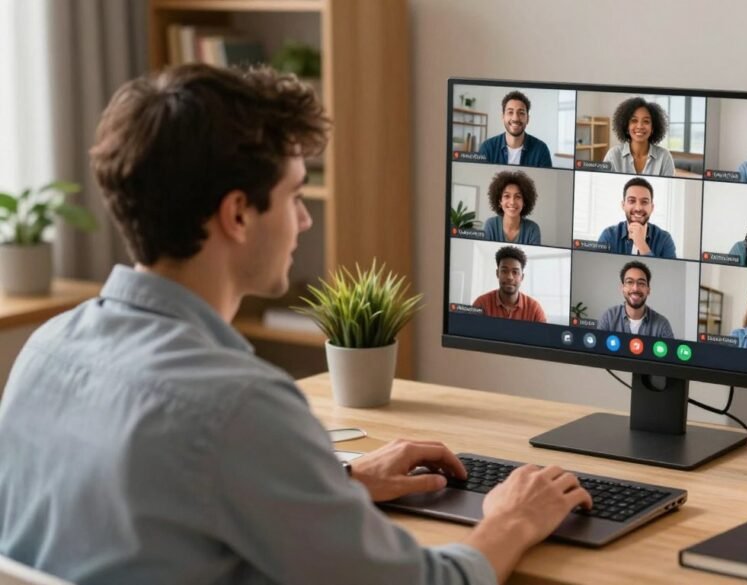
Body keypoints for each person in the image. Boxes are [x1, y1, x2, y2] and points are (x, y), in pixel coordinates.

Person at [0, 64, 590, 584]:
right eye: (293, 196)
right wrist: (510, 521)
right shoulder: (239, 406)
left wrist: (340, 482)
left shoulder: (44, 350)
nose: (304, 221)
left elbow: (173, 502)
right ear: (237, 215)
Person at [597, 177, 677, 258]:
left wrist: (641, 243)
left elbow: (663, 270)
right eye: (632, 201)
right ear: (623, 205)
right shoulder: (608, 236)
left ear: (652, 208)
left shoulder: (665, 239)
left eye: (644, 202)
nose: (638, 208)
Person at [597, 261, 674, 337]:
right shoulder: (608, 317)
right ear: (622, 288)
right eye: (630, 282)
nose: (635, 288)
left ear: (648, 290)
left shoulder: (662, 324)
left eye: (641, 283)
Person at [602, 97, 675, 176]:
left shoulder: (664, 157)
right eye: (634, 120)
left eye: (646, 121)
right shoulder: (613, 155)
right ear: (627, 126)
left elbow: (668, 188)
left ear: (653, 128)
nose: (640, 126)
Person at [477, 90, 553, 167]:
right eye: (510, 112)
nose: (515, 118)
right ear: (503, 117)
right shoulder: (487, 148)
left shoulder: (541, 150)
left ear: (527, 119)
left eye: (521, 113)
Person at [472, 245, 547, 322]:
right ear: (497, 273)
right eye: (504, 271)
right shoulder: (481, 304)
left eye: (515, 272)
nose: (510, 277)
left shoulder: (535, 309)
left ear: (522, 277)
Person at [482, 170, 541, 245]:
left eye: (518, 197)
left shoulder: (532, 229)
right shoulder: (490, 225)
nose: (512, 202)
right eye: (507, 196)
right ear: (500, 201)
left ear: (524, 202)